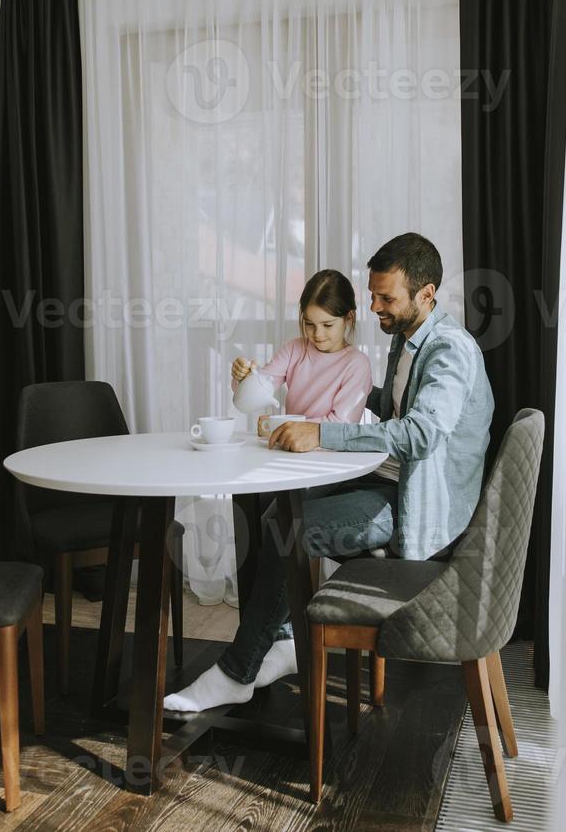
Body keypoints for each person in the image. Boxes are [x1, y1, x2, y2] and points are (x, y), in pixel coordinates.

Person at [165, 232, 494, 714]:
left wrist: (322, 434)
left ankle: (236, 672)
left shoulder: (449, 350)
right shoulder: (409, 342)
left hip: (421, 505)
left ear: (426, 294)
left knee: (287, 526)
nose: (376, 305)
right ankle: (280, 643)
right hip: (397, 480)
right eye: (374, 294)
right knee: (279, 511)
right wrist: (349, 391)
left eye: (387, 297)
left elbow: (420, 434)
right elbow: (396, 406)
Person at [231, 268, 373, 434]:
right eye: (309, 324)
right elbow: (256, 391)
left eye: (327, 325)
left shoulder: (357, 364)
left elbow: (341, 425)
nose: (317, 334)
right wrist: (245, 377)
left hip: (332, 455)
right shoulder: (294, 349)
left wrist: (282, 425)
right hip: (290, 446)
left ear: (349, 318)